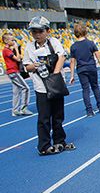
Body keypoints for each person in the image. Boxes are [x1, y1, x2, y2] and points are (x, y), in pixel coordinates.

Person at [23, 16, 75, 156]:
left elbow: (61, 57)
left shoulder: (54, 42)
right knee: (44, 117)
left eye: (40, 31)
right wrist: (35, 66)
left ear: (47, 31)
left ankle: (60, 141)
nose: (37, 35)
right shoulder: (29, 47)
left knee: (58, 115)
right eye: (34, 32)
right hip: (41, 87)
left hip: (56, 84)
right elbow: (26, 66)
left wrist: (55, 75)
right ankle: (44, 145)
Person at [69, 23, 100, 117]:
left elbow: (72, 62)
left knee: (85, 90)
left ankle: (89, 111)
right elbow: (99, 57)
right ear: (85, 32)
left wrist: (72, 76)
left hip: (81, 70)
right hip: (91, 68)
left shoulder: (73, 46)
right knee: (95, 87)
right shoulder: (90, 43)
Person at [2, 33, 33, 116]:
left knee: (16, 91)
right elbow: (18, 59)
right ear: (6, 41)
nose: (14, 41)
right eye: (12, 40)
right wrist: (16, 48)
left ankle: (15, 110)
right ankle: (23, 108)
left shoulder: (8, 50)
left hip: (13, 72)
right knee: (26, 88)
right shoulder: (6, 51)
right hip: (13, 72)